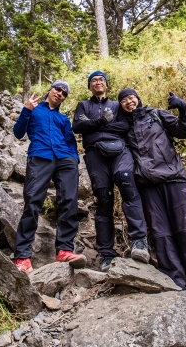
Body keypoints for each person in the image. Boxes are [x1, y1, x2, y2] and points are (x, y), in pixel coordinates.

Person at [118, 88, 186, 323]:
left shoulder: (156, 115)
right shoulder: (122, 127)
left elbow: (185, 131)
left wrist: (183, 108)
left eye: (131, 97)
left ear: (138, 98)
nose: (129, 102)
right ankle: (177, 289)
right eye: (123, 100)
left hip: (173, 179)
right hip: (148, 186)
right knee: (162, 236)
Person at [72, 71, 149, 272]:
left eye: (102, 80)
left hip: (119, 149)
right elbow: (78, 126)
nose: (98, 82)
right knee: (103, 197)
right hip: (95, 153)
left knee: (126, 182)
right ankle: (106, 253)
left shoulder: (116, 105)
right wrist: (100, 123)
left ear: (107, 85)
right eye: (94, 80)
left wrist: (98, 128)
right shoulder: (84, 105)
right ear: (90, 86)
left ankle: (139, 241)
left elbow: (125, 125)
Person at [12, 80, 87, 273]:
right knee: (32, 201)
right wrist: (26, 110)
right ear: (50, 90)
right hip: (40, 155)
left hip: (65, 158)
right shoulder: (34, 110)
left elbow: (70, 140)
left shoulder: (63, 119)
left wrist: (73, 158)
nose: (60, 93)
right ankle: (22, 256)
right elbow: (18, 133)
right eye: (58, 89)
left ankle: (64, 250)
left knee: (69, 201)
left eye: (64, 92)